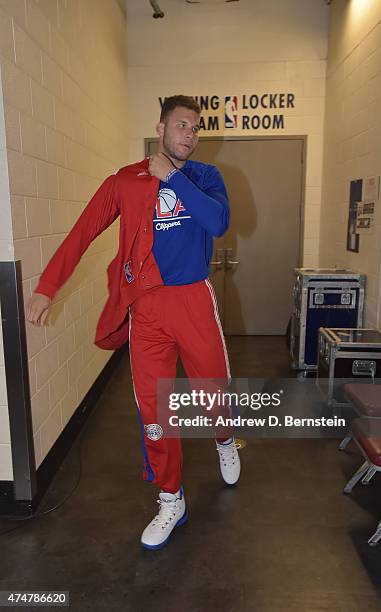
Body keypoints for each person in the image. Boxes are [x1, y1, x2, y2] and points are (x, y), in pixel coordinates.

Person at [26, 95, 241, 550]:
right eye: (181, 125)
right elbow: (83, 231)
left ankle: (224, 437)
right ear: (160, 129)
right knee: (153, 412)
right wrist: (48, 285)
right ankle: (170, 497)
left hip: (192, 301)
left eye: (195, 128)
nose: (189, 134)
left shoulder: (205, 177)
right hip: (146, 310)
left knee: (212, 391)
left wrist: (175, 180)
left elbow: (218, 222)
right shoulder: (124, 182)